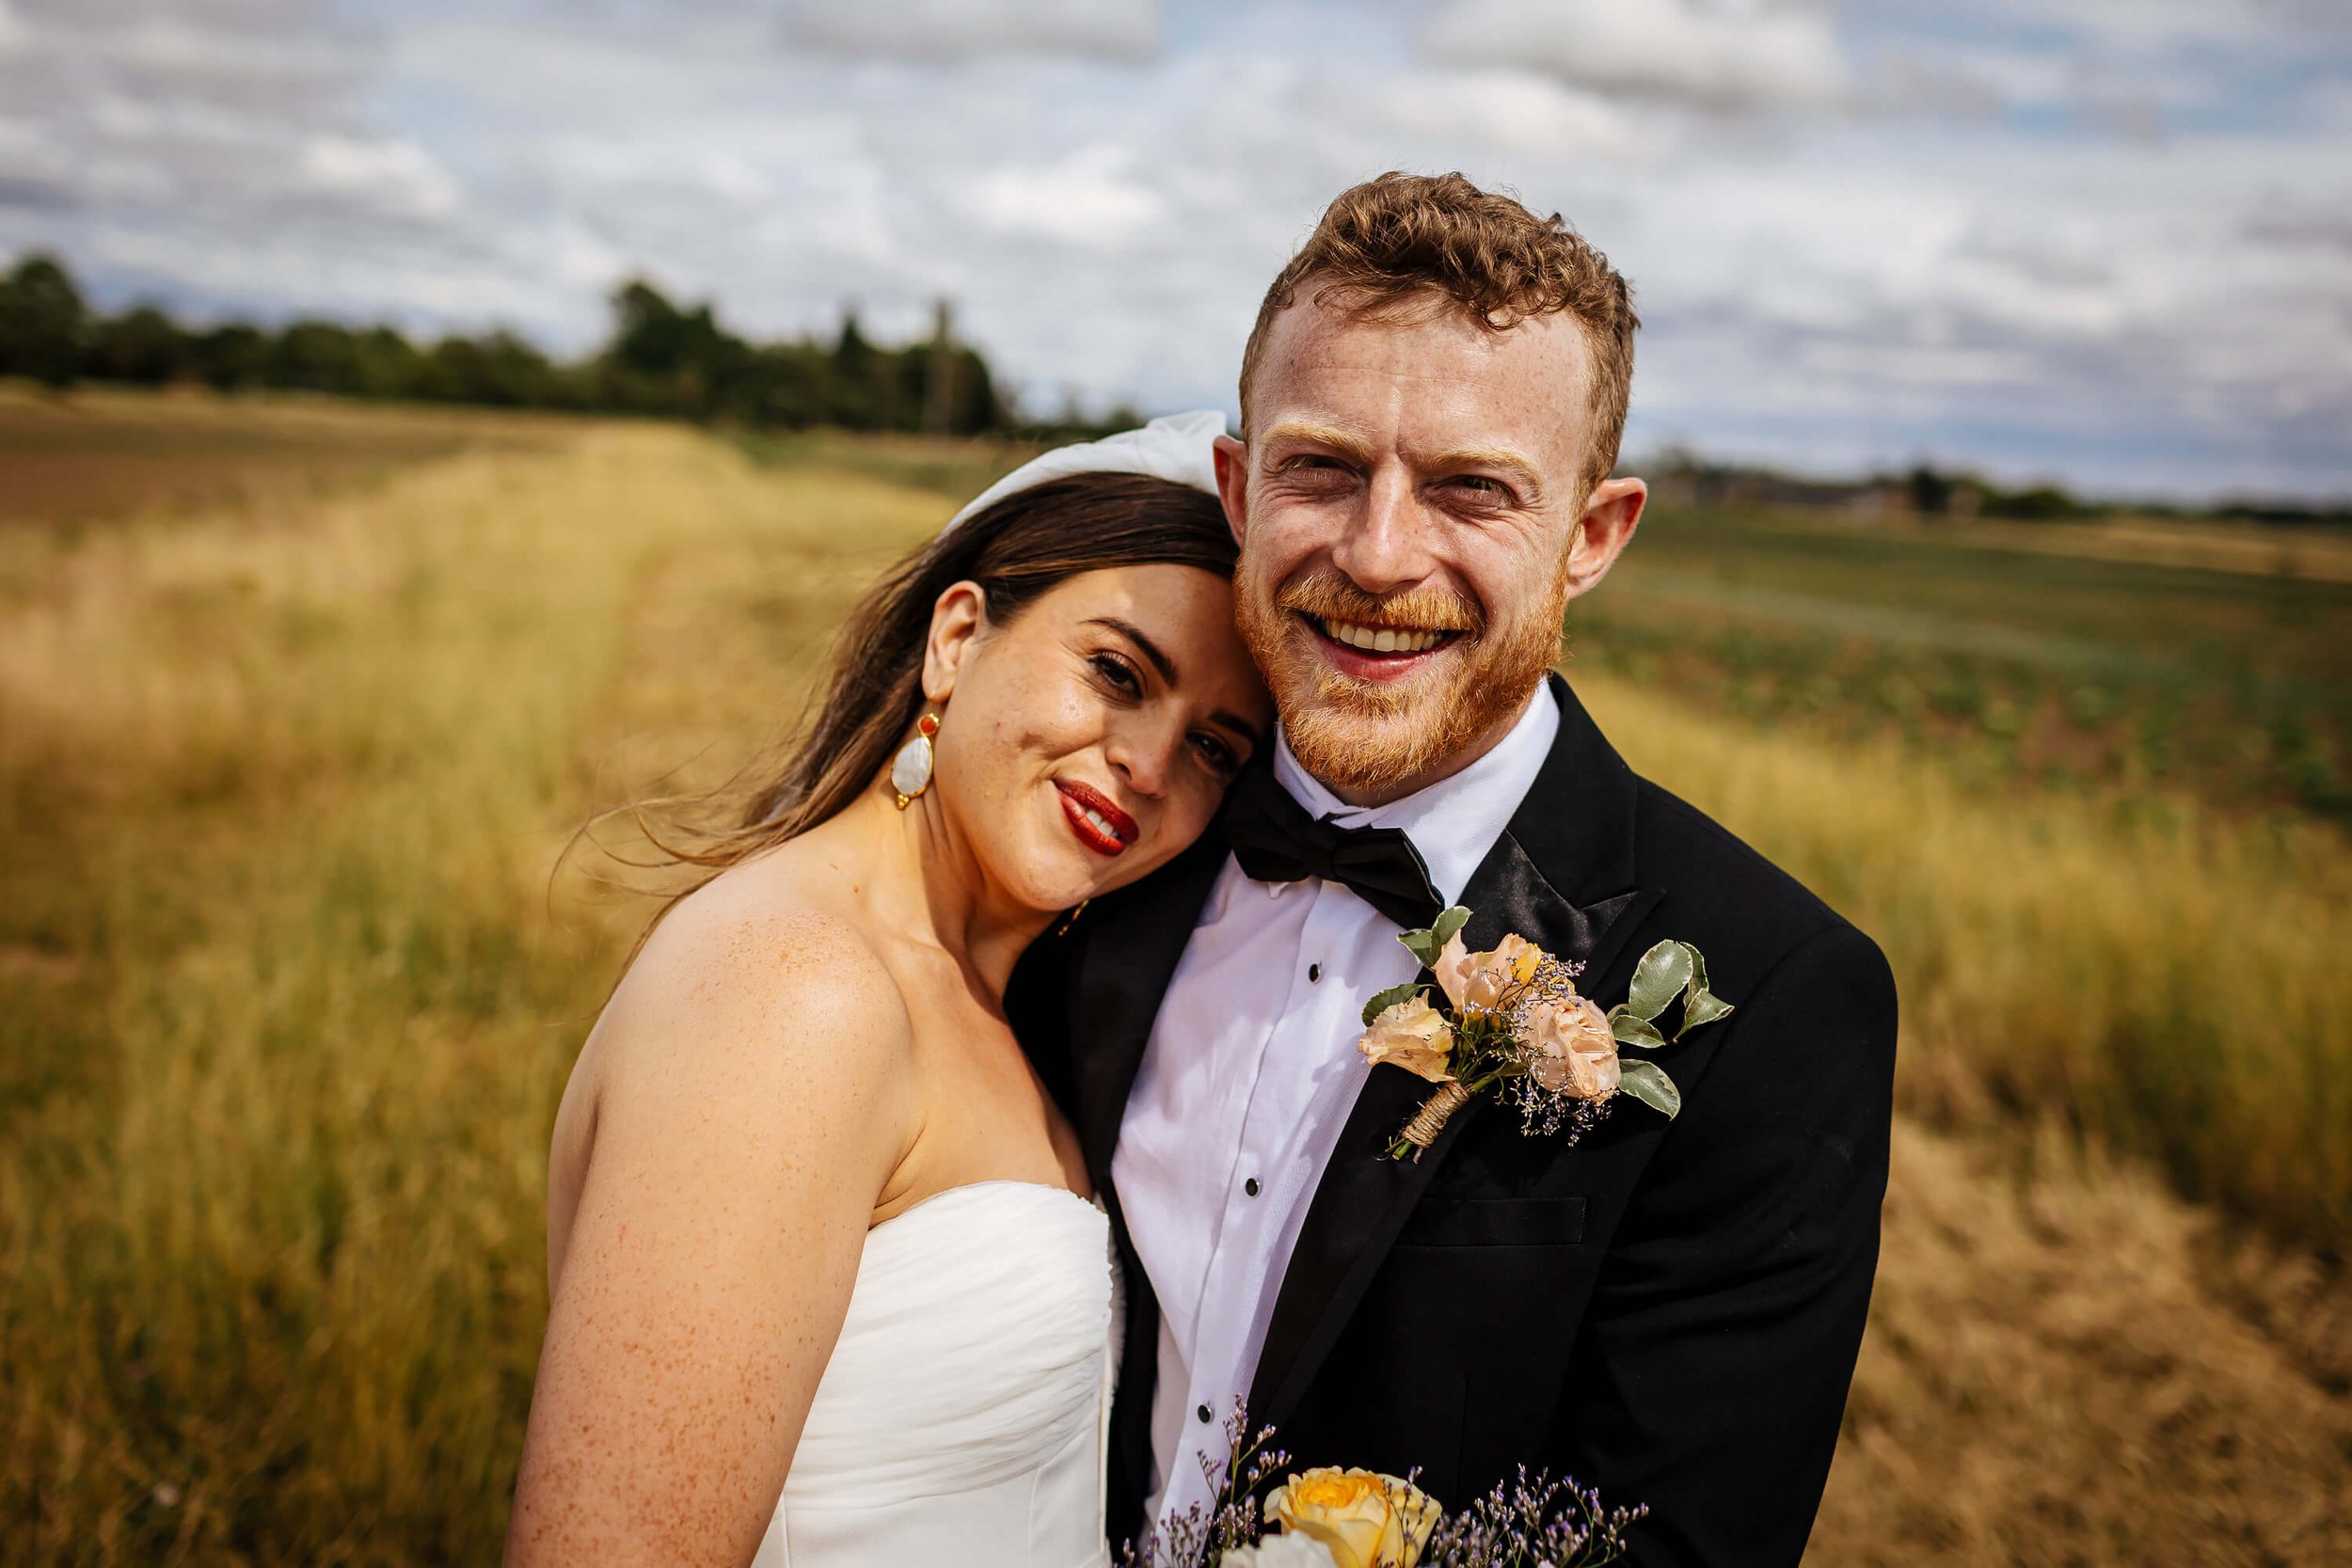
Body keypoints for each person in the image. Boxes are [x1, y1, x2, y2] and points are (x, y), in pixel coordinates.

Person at [1008, 173, 1898, 1565]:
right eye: (1320, 467)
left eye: (1472, 488)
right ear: (1240, 490)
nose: (1376, 554)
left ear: (1592, 538)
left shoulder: (1773, 996)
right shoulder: (1105, 849)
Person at [504, 432, 1273, 1568]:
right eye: (1117, 673)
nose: (1151, 766)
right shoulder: (796, 994)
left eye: (1214, 745)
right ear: (957, 636)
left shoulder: (985, 1001)